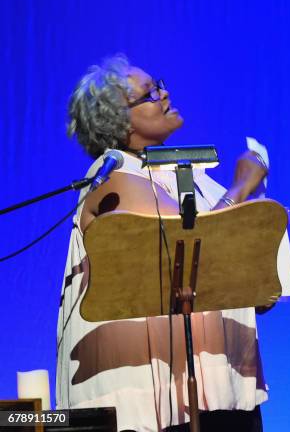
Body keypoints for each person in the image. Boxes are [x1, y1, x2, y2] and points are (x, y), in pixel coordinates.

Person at [57, 55, 269, 432]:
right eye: (150, 92)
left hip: (214, 387)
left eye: (159, 84)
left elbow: (243, 279)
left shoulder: (187, 178)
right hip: (146, 398)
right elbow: (194, 249)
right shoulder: (114, 177)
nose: (165, 93)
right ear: (119, 121)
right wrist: (243, 185)